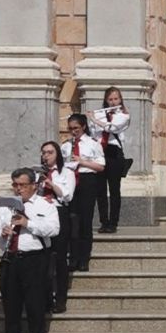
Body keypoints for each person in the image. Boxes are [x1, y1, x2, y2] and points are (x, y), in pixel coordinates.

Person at [0, 168, 60, 333]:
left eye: (23, 185)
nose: (18, 189)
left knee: (35, 306)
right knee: (11, 307)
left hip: (35, 259)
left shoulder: (45, 205)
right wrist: (0, 233)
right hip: (11, 258)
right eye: (15, 185)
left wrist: (28, 223)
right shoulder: (4, 207)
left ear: (33, 186)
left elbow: (53, 229)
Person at [64, 113, 106, 272]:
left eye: (76, 128)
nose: (73, 131)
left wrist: (82, 161)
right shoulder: (66, 145)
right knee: (72, 220)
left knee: (85, 221)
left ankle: (84, 258)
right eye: (70, 129)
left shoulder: (93, 144)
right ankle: (73, 257)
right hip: (71, 181)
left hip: (87, 180)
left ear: (83, 127)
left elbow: (101, 166)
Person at [38, 141, 76, 314]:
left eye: (50, 152)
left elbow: (67, 196)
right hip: (42, 214)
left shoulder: (66, 172)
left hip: (59, 213)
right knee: (43, 258)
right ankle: (45, 299)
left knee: (60, 259)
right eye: (44, 152)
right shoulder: (38, 173)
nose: (46, 156)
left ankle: (61, 299)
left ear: (57, 154)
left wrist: (51, 185)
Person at [90, 86, 131, 234]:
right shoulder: (100, 114)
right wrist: (93, 119)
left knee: (114, 190)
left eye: (116, 99)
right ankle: (104, 222)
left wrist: (95, 119)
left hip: (114, 153)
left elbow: (112, 128)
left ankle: (113, 222)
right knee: (100, 190)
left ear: (120, 100)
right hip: (100, 152)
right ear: (106, 101)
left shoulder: (124, 115)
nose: (113, 102)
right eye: (110, 99)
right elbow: (94, 133)